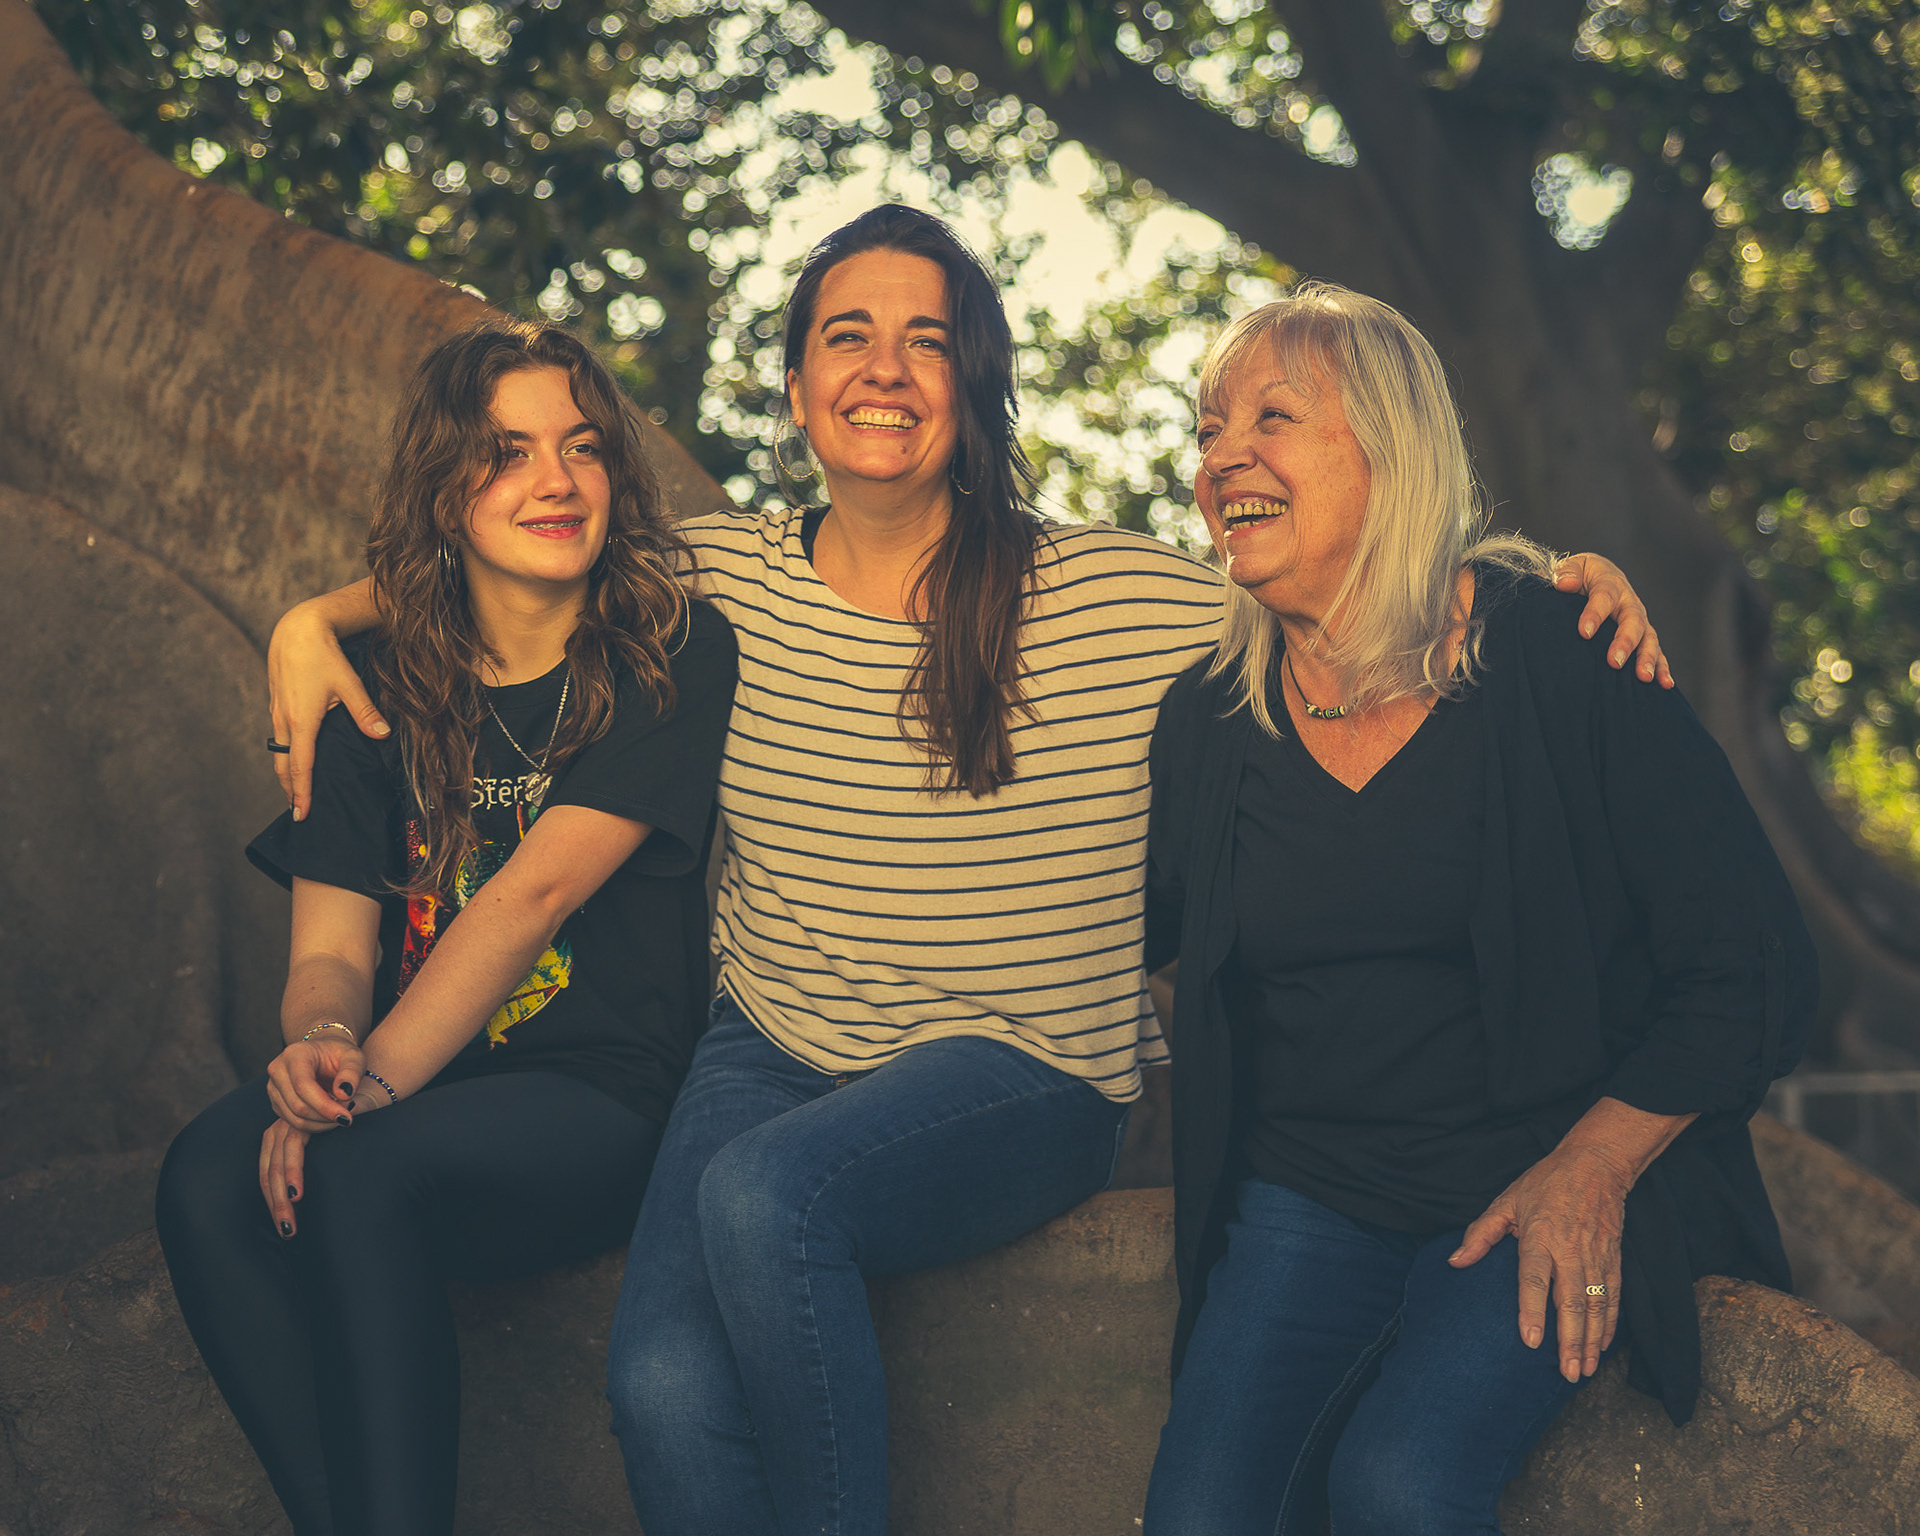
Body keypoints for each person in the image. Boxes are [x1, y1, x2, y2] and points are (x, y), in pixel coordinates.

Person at [263, 208, 1669, 1536]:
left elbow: (1356, 565)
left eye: (925, 340)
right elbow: (507, 539)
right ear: (800, 391)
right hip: (772, 1052)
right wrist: (313, 619)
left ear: (971, 386)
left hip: (1024, 1061)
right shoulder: (710, 582)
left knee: (771, 1199)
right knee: (662, 1385)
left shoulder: (1120, 595)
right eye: (846, 338)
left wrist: (1550, 576)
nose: (885, 369)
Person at [1140, 284, 1817, 1536]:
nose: (1221, 453)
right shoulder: (1210, 719)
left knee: (1398, 1488)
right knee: (1198, 1517)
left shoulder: (1568, 656)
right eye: (1207, 429)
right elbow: (1114, 925)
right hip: (1310, 1192)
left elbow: (1753, 964)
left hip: (1535, 1179)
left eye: (1271, 418)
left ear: (1390, 450)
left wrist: (1594, 1167)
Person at [155, 320, 738, 1536]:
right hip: (419, 1080)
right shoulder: (372, 683)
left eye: (581, 448)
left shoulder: (667, 649)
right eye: (507, 453)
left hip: (603, 1095)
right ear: (442, 489)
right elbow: (331, 945)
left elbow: (536, 896)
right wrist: (320, 1041)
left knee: (356, 1163)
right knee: (206, 1178)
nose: (556, 481)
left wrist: (366, 1095)